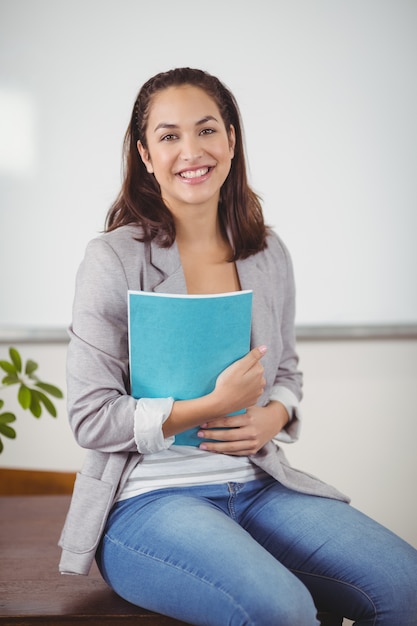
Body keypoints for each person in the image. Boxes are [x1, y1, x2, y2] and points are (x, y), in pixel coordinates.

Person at [59, 67, 417, 626]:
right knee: (285, 610)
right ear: (146, 155)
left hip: (257, 483)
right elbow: (89, 417)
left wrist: (274, 414)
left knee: (407, 585)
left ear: (231, 139)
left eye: (206, 130)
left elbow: (288, 373)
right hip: (149, 502)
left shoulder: (267, 252)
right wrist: (210, 407)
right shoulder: (112, 258)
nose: (191, 150)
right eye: (168, 136)